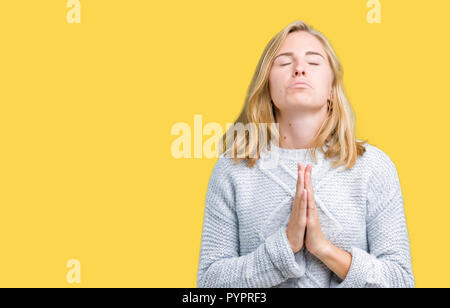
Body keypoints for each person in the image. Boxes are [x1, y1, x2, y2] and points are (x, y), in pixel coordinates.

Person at [196, 20, 415, 288]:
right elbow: (209, 285)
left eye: (313, 62)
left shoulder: (373, 167)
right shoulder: (232, 170)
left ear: (332, 89)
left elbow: (401, 282)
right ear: (267, 85)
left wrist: (324, 249)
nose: (299, 69)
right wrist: (285, 245)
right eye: (284, 62)